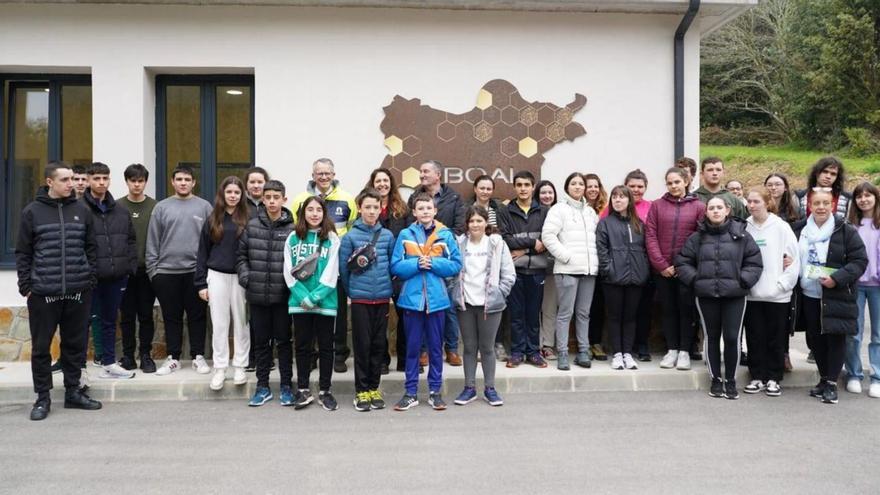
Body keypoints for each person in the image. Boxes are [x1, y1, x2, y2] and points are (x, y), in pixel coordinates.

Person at [16, 161, 101, 421]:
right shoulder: (32, 212)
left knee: (74, 345)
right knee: (42, 347)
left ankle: (73, 392)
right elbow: (23, 252)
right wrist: (26, 286)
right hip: (44, 293)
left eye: (73, 179)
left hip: (78, 290)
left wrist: (90, 278)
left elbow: (91, 248)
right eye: (65, 180)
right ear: (49, 182)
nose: (71, 184)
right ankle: (43, 397)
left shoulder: (82, 210)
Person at [676, 197, 763, 399]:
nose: (715, 211)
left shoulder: (741, 236)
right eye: (711, 208)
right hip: (706, 296)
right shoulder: (697, 238)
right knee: (712, 338)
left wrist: (743, 280)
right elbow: (682, 262)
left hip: (735, 296)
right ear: (706, 212)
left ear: (727, 210)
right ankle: (716, 379)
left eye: (719, 207)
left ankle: (730, 380)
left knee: (732, 338)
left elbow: (754, 263)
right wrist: (696, 280)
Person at [794, 188, 867, 404]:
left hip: (836, 293)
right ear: (810, 205)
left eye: (826, 203)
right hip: (808, 292)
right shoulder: (800, 229)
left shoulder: (845, 230)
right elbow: (791, 254)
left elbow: (859, 261)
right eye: (817, 203)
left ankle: (832, 383)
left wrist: (838, 278)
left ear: (833, 205)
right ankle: (824, 378)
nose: (821, 207)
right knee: (815, 339)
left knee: (835, 338)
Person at [391, 192, 462, 411]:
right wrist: (416, 265)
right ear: (414, 212)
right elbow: (395, 266)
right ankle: (410, 392)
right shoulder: (405, 234)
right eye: (420, 208)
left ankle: (434, 392)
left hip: (437, 300)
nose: (425, 212)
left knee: (435, 349)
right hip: (412, 301)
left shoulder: (445, 234)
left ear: (435, 210)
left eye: (428, 208)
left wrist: (432, 263)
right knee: (412, 348)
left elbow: (455, 265)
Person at [146, 165, 213, 376]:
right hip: (166, 273)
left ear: (194, 183)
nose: (183, 182)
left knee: (197, 316)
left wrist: (207, 271)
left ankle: (198, 356)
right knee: (171, 316)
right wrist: (153, 272)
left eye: (187, 179)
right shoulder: (162, 207)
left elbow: (211, 241)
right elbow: (152, 241)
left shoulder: (204, 207)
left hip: (195, 272)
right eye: (179, 179)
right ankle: (173, 357)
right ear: (172, 182)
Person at [291, 158, 356, 373]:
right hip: (307, 270)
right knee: (307, 315)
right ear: (313, 175)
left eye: (328, 173)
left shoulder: (348, 199)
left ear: (334, 174)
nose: (324, 177)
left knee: (334, 314)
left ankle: (338, 355)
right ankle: (310, 357)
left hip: (335, 266)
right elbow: (297, 229)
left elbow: (351, 228)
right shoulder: (301, 200)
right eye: (319, 173)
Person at [237, 180, 295, 407]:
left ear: (284, 199)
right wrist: (247, 278)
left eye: (276, 197)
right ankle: (262, 386)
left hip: (282, 296)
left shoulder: (293, 229)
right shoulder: (252, 226)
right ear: (263, 198)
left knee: (283, 342)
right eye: (268, 197)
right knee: (261, 343)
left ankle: (286, 386)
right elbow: (241, 257)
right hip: (258, 295)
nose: (272, 201)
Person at [452, 206, 515, 406]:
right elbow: (452, 271)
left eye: (479, 221)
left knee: (487, 348)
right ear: (467, 224)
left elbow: (509, 273)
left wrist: (499, 293)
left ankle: (490, 388)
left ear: (486, 223)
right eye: (472, 221)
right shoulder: (460, 243)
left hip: (490, 305)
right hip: (466, 304)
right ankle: (469, 388)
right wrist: (454, 291)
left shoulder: (497, 243)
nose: (475, 225)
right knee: (469, 347)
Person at [284, 195, 342, 411]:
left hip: (325, 302)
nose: (314, 214)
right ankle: (303, 389)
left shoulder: (332, 239)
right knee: (302, 346)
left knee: (326, 347)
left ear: (324, 213)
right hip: (299, 302)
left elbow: (331, 273)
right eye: (310, 210)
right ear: (303, 213)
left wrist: (314, 297)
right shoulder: (293, 237)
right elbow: (288, 273)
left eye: (319, 210)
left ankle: (325, 391)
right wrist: (302, 297)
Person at [339, 189, 395, 412]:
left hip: (382, 299)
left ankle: (374, 388)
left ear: (381, 209)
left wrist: (388, 290)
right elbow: (344, 270)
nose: (372, 211)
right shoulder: (350, 237)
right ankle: (361, 391)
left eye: (375, 207)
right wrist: (352, 291)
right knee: (362, 346)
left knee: (378, 345)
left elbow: (392, 265)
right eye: (367, 207)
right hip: (361, 300)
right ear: (360, 208)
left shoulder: (388, 236)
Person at [81, 162, 138, 379]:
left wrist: (128, 267)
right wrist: (85, 271)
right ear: (88, 180)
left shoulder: (120, 211)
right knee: (83, 322)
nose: (101, 182)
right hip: (89, 278)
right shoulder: (79, 209)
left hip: (116, 276)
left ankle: (108, 362)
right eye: (96, 178)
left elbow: (130, 241)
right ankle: (78, 367)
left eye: (105, 178)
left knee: (109, 320)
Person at [645, 167, 704, 370]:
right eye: (669, 183)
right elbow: (650, 235)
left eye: (677, 182)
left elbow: (700, 238)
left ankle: (685, 351)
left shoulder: (698, 207)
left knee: (686, 311)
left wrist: (684, 265)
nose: (673, 186)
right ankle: (672, 350)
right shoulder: (657, 206)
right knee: (668, 310)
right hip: (663, 270)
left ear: (686, 181)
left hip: (686, 270)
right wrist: (661, 264)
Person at [408, 160, 466, 366]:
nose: (421, 174)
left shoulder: (454, 197)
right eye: (421, 171)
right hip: (420, 260)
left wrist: (439, 241)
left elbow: (460, 226)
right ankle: (424, 351)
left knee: (448, 308)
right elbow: (410, 226)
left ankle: (451, 349)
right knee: (424, 307)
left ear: (438, 175)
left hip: (444, 260)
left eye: (425, 171)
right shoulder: (414, 196)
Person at [743, 188, 800, 397]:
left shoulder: (781, 227)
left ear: (767, 203)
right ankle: (757, 376)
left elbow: (794, 261)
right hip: (752, 294)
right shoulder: (745, 227)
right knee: (755, 337)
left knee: (776, 337)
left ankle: (774, 378)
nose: (752, 205)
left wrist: (782, 286)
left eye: (756, 201)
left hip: (777, 296)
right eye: (749, 201)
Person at [195, 176, 251, 391]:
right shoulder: (213, 219)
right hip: (216, 275)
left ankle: (239, 365)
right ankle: (220, 367)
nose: (233, 196)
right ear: (222, 194)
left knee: (241, 322)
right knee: (219, 324)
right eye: (229, 192)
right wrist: (201, 284)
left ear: (241, 195)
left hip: (241, 277)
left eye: (237, 192)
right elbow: (202, 252)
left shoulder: (249, 218)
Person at [542, 172, 599, 370]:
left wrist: (595, 264)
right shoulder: (559, 209)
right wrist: (565, 257)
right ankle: (563, 352)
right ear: (567, 187)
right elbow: (548, 236)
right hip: (567, 269)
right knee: (565, 313)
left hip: (589, 270)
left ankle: (583, 350)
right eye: (573, 184)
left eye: (580, 184)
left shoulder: (590, 212)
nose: (577, 187)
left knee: (584, 313)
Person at [497, 171, 549, 368]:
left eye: (526, 185)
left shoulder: (544, 211)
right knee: (516, 313)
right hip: (515, 271)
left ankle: (533, 352)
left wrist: (525, 248)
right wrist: (532, 243)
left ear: (533, 186)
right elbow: (506, 239)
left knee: (533, 313)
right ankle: (517, 352)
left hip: (537, 270)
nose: (523, 188)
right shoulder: (505, 210)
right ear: (514, 187)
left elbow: (547, 240)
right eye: (519, 185)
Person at [597, 186, 650, 370]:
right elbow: (602, 250)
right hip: (613, 278)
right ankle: (617, 353)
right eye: (614, 197)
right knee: (614, 316)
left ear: (629, 200)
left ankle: (628, 352)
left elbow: (645, 249)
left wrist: (643, 270)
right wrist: (608, 269)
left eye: (621, 197)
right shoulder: (605, 223)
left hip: (636, 278)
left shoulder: (639, 224)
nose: (617, 200)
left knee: (630, 316)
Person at [365, 168, 409, 372]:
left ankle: (404, 359)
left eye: (385, 180)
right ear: (372, 184)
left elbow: (409, 238)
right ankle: (381, 360)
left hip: (399, 270)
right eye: (378, 181)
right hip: (376, 270)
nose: (382, 184)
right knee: (378, 319)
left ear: (391, 183)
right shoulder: (367, 207)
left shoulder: (402, 208)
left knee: (405, 315)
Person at [117, 164, 158, 373]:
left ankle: (145, 355)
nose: (136, 184)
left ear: (145, 182)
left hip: (146, 270)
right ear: (127, 182)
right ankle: (127, 355)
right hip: (124, 271)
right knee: (126, 315)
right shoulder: (117, 206)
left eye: (140, 180)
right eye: (133, 180)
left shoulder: (155, 207)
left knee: (145, 315)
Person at [844, 182, 880, 398]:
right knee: (852, 333)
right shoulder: (850, 225)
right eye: (859, 196)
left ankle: (876, 377)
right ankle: (854, 374)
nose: (863, 199)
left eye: (868, 195)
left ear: (875, 198)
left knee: (878, 334)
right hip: (855, 285)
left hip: (878, 286)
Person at [764, 172, 802, 371]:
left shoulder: (795, 212)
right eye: (769, 184)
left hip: (786, 268)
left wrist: (792, 258)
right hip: (766, 267)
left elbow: (800, 240)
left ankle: (784, 353)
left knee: (784, 316)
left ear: (785, 187)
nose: (773, 188)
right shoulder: (759, 209)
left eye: (778, 184)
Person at [621, 169, 654, 362]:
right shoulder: (614, 206)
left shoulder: (651, 207)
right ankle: (624, 346)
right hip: (621, 268)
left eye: (640, 186)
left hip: (645, 266)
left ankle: (641, 344)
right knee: (624, 310)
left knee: (643, 309)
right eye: (631, 186)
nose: (635, 190)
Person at [584, 173, 609, 362]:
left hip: (602, 265)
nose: (592, 189)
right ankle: (582, 343)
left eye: (595, 186)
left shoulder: (606, 210)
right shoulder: (577, 209)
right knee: (583, 307)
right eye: (588, 186)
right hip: (584, 263)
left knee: (598, 307)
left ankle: (595, 342)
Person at [534, 180, 558, 360]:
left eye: (550, 192)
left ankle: (548, 344)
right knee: (534, 308)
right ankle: (536, 344)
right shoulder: (533, 213)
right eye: (543, 192)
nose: (547, 196)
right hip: (534, 266)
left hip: (554, 268)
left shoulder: (560, 212)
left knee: (549, 308)